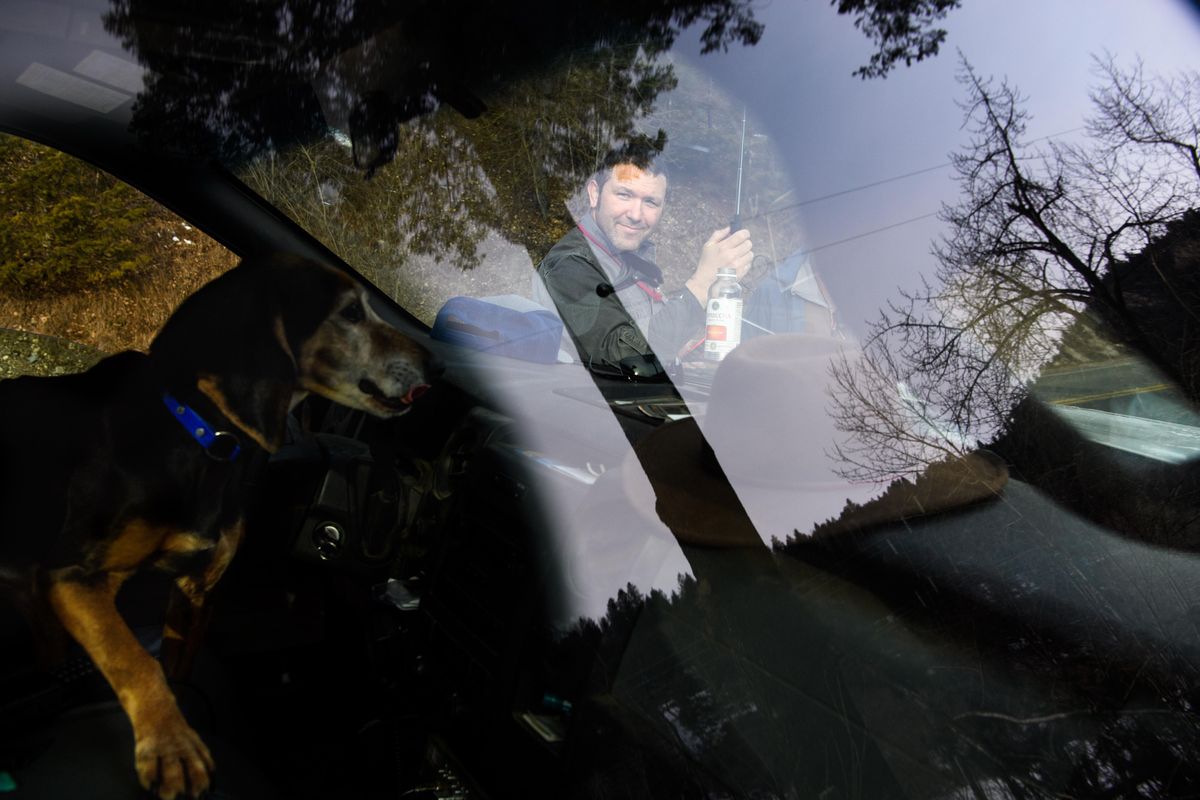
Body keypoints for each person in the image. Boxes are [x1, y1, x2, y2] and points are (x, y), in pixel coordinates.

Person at [534, 146, 753, 371]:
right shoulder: (569, 265)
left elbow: (647, 335)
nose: (636, 215)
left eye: (650, 202)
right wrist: (701, 285)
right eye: (624, 195)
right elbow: (621, 357)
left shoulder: (627, 257)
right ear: (594, 194)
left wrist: (679, 358)